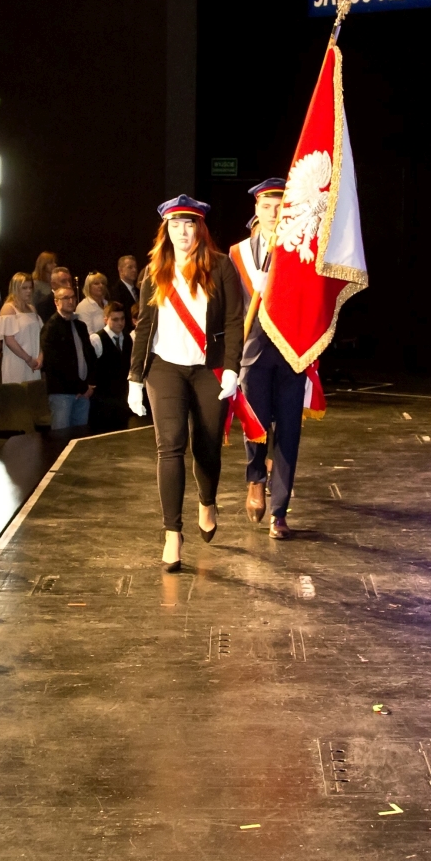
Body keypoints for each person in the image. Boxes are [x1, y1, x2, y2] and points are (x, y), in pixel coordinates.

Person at [127, 195, 244, 570]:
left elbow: (234, 320)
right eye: (175, 225)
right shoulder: (154, 271)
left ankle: (207, 501)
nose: (182, 232)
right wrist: (134, 378)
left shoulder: (221, 266)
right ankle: (172, 533)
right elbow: (145, 327)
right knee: (170, 447)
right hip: (165, 369)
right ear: (166, 231)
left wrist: (232, 368)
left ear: (200, 229)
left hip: (208, 369)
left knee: (207, 447)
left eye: (189, 224)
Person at [231, 178, 312, 535]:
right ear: (257, 209)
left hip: (292, 352)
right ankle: (255, 479)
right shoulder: (238, 253)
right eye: (266, 207)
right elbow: (233, 308)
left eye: (280, 207)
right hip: (253, 353)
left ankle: (279, 511)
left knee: (289, 431)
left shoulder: (302, 250)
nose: (273, 213)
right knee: (256, 423)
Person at [40, 282, 94, 432]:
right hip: (62, 392)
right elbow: (54, 363)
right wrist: (79, 386)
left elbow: (89, 356)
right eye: (65, 298)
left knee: (81, 436)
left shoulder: (80, 326)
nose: (70, 301)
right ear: (56, 302)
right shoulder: (51, 328)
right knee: (61, 436)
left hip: (83, 391)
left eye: (73, 297)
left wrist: (90, 384)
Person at [87, 299, 134, 433]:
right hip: (102, 398)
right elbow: (90, 366)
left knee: (122, 432)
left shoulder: (127, 338)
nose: (120, 323)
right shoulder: (97, 339)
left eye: (122, 319)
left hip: (122, 396)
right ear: (106, 320)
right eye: (115, 319)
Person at [0, 273, 44, 386]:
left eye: (30, 287)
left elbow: (40, 335)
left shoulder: (32, 309)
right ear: (15, 289)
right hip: (17, 362)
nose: (28, 291)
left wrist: (40, 357)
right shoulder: (9, 309)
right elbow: (9, 340)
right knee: (17, 393)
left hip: (34, 361)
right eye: (24, 288)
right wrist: (28, 359)